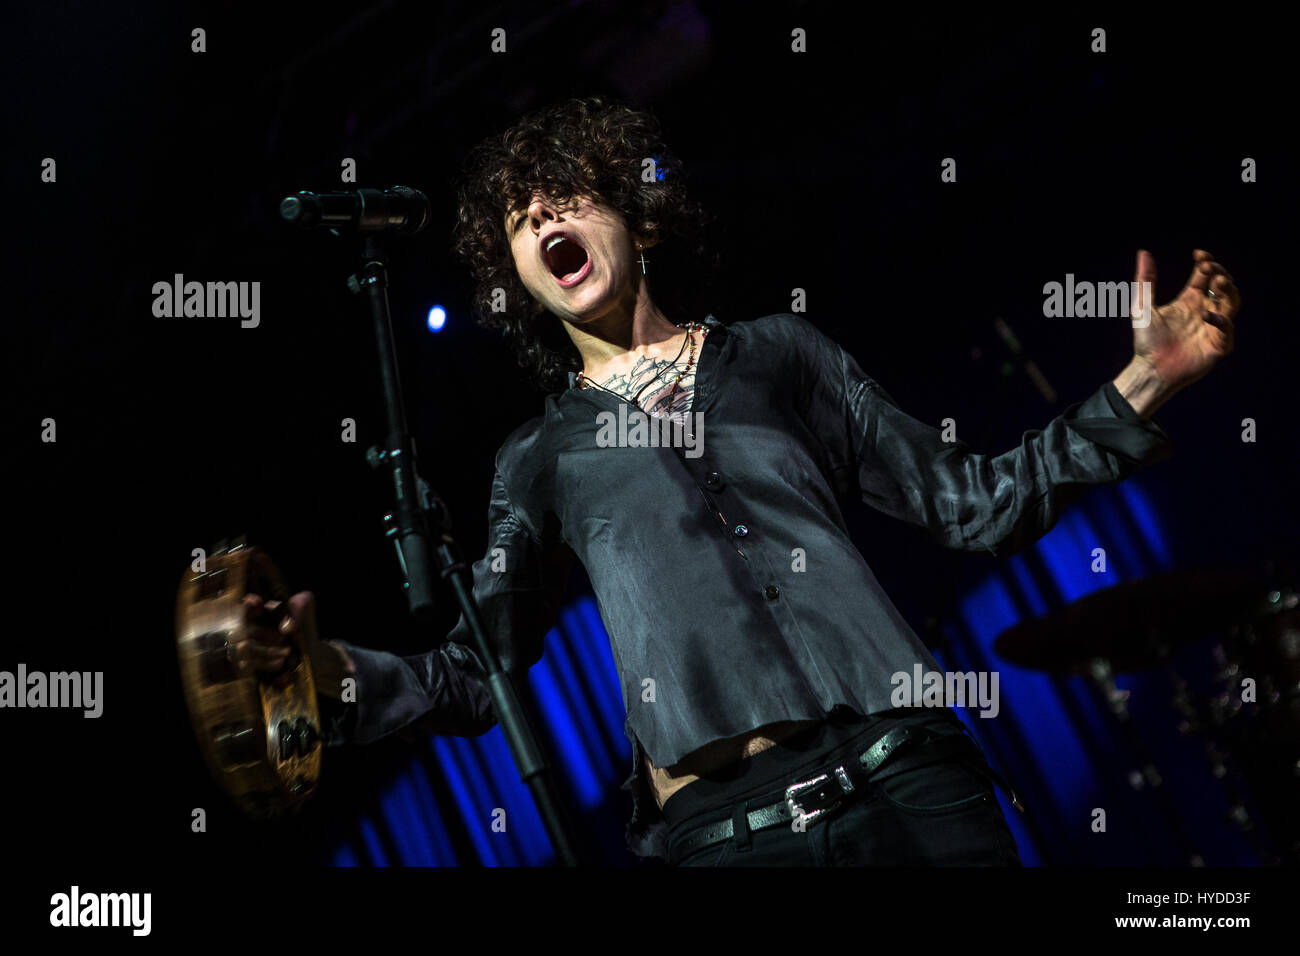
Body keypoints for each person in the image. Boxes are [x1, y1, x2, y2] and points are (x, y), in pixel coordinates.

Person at [232, 96, 1239, 865]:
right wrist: (331, 672)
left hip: (913, 782)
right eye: (518, 217)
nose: (543, 215)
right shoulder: (536, 459)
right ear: (518, 277)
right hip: (725, 838)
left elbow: (969, 506)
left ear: (641, 221)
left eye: (568, 193)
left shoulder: (779, 354)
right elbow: (475, 670)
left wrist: (1141, 382)